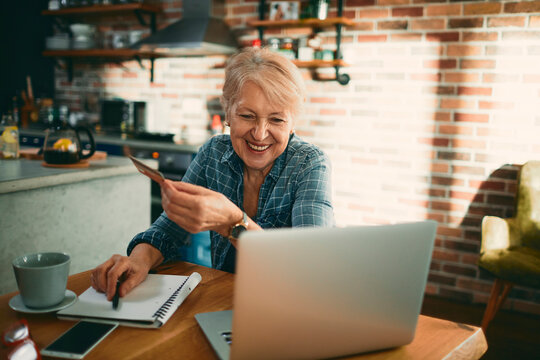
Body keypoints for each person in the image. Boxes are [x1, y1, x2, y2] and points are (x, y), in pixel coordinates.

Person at [90, 47, 335, 301]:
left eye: (276, 120)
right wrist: (138, 261)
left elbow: (311, 269)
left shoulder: (309, 164)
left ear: (293, 121)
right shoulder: (213, 153)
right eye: (247, 116)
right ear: (228, 112)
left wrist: (233, 223)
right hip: (223, 299)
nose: (260, 134)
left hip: (287, 305)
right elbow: (168, 229)